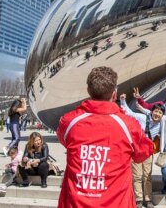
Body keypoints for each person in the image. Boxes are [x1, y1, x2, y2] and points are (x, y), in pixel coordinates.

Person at [56, 66, 153, 208]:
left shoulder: (69, 122)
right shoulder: (129, 126)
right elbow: (143, 153)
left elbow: (65, 141)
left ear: (89, 91)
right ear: (114, 94)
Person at [121, 92, 165, 208]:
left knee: (147, 176)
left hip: (148, 152)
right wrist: (122, 101)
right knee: (136, 176)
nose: (157, 114)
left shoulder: (162, 124)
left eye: (160, 113)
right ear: (152, 111)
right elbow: (128, 113)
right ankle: (139, 199)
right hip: (137, 151)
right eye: (156, 111)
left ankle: (148, 199)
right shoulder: (142, 117)